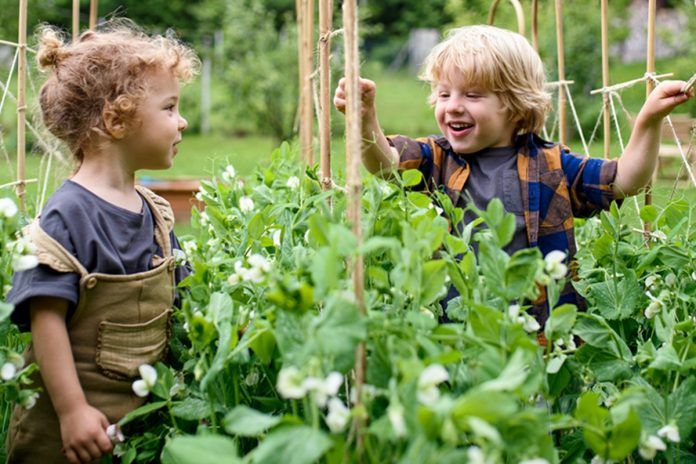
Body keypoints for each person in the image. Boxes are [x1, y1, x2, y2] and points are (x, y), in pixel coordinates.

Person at [333, 25, 693, 325]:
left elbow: (622, 181)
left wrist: (648, 120)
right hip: (461, 321)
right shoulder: (436, 158)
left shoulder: (551, 165)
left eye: (473, 95)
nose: (453, 105)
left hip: (540, 327)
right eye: (444, 94)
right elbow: (386, 163)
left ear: (516, 106)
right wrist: (365, 120)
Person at [5, 20, 198, 463]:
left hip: (136, 420)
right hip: (65, 433)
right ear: (116, 119)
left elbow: (181, 294)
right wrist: (72, 411)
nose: (182, 120)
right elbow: (46, 318)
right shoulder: (70, 214)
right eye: (169, 108)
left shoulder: (154, 211)